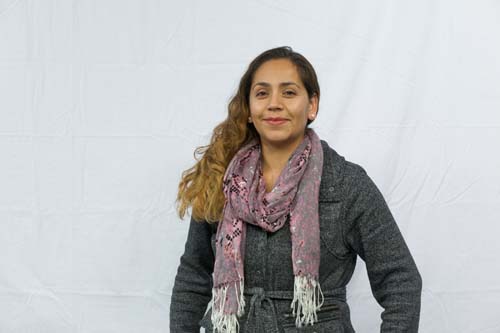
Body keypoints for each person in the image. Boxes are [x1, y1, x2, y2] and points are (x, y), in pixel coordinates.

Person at [169, 46, 422, 333]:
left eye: (288, 92)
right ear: (249, 109)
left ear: (311, 105)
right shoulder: (222, 179)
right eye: (262, 93)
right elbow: (193, 276)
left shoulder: (346, 184)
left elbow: (400, 280)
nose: (274, 104)